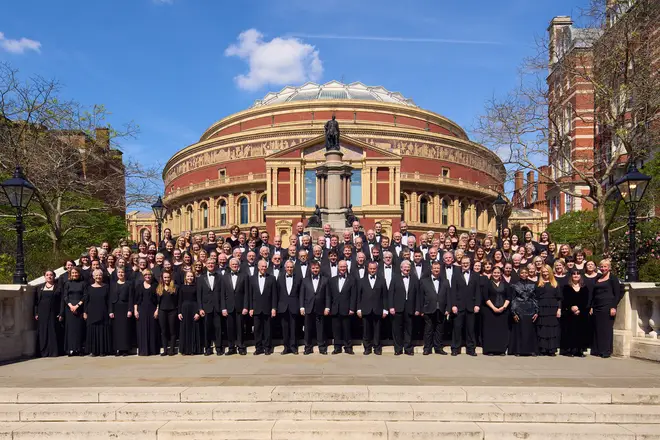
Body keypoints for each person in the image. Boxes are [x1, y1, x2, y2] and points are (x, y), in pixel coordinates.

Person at [449, 256, 482, 356]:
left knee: (470, 329)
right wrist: (453, 305)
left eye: (467, 262)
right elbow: (453, 291)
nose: (465, 264)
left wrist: (477, 304)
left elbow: (477, 291)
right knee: (457, 328)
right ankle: (455, 348)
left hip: (471, 306)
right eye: (463, 263)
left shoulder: (476, 275)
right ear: (461, 263)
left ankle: (471, 349)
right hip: (459, 306)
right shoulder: (455, 275)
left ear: (470, 263)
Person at [590, 260, 623, 358]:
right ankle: (597, 350)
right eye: (601, 267)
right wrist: (591, 306)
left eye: (605, 267)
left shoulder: (613, 278)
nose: (603, 268)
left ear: (609, 268)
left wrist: (613, 306)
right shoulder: (598, 278)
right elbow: (593, 294)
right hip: (597, 306)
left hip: (607, 306)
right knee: (597, 328)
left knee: (606, 329)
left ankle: (606, 351)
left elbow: (617, 294)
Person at [389, 260, 420, 356]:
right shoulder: (395, 278)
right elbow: (391, 293)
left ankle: (408, 348)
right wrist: (391, 306)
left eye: (408, 267)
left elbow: (418, 295)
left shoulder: (414, 278)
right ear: (401, 268)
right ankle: (398, 348)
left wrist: (417, 308)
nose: (406, 269)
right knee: (397, 329)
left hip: (410, 307)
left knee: (409, 328)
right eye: (404, 267)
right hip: (397, 307)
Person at [300, 260, 330, 355]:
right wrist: (301, 307)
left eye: (317, 268)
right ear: (310, 269)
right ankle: (308, 347)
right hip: (308, 307)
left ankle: (322, 347)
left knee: (320, 329)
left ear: (319, 269)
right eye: (313, 268)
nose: (315, 270)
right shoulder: (305, 280)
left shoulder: (325, 280)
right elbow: (302, 295)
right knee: (308, 329)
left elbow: (328, 295)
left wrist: (327, 307)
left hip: (320, 308)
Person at [357, 261, 388, 355]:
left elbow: (385, 296)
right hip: (365, 309)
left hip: (378, 309)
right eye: (371, 268)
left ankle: (377, 348)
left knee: (377, 330)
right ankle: (367, 348)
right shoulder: (362, 280)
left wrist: (385, 309)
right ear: (368, 269)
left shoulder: (382, 280)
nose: (372, 270)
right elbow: (359, 296)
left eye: (374, 269)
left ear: (377, 269)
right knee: (366, 330)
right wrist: (358, 309)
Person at [221, 258, 249, 356]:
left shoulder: (244, 276)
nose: (234, 266)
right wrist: (223, 308)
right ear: (229, 265)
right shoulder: (225, 277)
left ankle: (241, 346)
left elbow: (246, 293)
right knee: (230, 328)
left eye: (236, 264)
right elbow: (222, 294)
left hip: (240, 307)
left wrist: (246, 306)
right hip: (228, 307)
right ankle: (231, 347)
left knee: (240, 328)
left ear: (239, 265)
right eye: (233, 264)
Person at [560, 270, 591, 357]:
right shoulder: (566, 287)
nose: (576, 276)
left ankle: (579, 351)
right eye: (574, 274)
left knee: (580, 332)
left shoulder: (584, 288)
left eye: (578, 274)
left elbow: (585, 300)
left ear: (580, 276)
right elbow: (565, 300)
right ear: (571, 276)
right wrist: (571, 307)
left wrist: (579, 308)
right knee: (570, 332)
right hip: (569, 314)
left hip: (581, 313)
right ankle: (570, 350)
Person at [509, 268, 538, 356]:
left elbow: (535, 299)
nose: (524, 274)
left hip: (530, 309)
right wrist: (513, 312)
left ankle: (531, 350)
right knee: (519, 331)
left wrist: (537, 311)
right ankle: (518, 350)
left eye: (526, 272)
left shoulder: (533, 285)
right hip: (519, 309)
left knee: (530, 331)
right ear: (519, 274)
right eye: (522, 273)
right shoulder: (515, 285)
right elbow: (513, 299)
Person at [329, 260, 357, 355]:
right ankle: (337, 347)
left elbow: (354, 296)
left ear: (347, 268)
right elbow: (329, 296)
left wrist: (352, 308)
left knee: (347, 329)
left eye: (344, 267)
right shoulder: (332, 280)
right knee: (336, 330)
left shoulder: (352, 280)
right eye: (341, 267)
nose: (342, 269)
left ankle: (348, 347)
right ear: (338, 267)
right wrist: (329, 308)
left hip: (347, 308)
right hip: (335, 309)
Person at [482, 267, 510, 356]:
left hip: (503, 311)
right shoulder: (487, 284)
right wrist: (494, 308)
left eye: (498, 273)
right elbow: (485, 297)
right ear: (492, 273)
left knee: (501, 331)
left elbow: (509, 297)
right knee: (491, 331)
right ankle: (490, 350)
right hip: (490, 311)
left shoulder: (505, 284)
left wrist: (503, 307)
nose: (496, 274)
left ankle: (501, 350)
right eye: (494, 272)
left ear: (501, 273)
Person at [84, 269, 112, 357]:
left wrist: (110, 311)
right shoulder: (89, 287)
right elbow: (86, 301)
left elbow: (109, 301)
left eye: (100, 275)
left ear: (102, 276)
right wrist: (85, 312)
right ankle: (93, 351)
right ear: (93, 277)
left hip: (103, 311)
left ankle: (102, 351)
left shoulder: (107, 287)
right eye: (96, 275)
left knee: (102, 331)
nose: (98, 277)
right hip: (92, 312)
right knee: (92, 331)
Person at [198, 260, 224, 356]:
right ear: (206, 265)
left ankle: (219, 348)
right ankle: (208, 348)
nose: (210, 265)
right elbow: (199, 295)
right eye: (209, 263)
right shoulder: (201, 278)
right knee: (207, 329)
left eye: (212, 263)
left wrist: (222, 307)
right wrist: (200, 308)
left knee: (218, 328)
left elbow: (222, 293)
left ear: (215, 265)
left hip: (217, 307)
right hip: (206, 307)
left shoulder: (220, 277)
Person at [34, 270, 62, 357]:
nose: (49, 276)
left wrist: (61, 313)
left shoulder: (58, 287)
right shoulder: (39, 288)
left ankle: (53, 352)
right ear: (44, 277)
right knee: (42, 332)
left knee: (52, 331)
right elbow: (35, 302)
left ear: (54, 277)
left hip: (54, 313)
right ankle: (43, 352)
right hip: (42, 313)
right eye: (47, 275)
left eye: (51, 275)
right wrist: (36, 313)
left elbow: (61, 301)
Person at [535, 265, 562, 356]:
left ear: (550, 272)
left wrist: (559, 309)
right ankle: (543, 349)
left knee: (552, 329)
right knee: (542, 328)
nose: (545, 273)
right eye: (543, 271)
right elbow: (535, 298)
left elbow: (559, 298)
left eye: (547, 271)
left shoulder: (555, 283)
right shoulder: (538, 283)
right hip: (541, 308)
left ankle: (551, 350)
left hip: (553, 309)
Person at [277, 260, 301, 355]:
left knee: (294, 328)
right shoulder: (280, 278)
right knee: (285, 328)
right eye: (288, 267)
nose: (289, 269)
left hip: (294, 306)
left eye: (291, 267)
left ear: (293, 268)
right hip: (283, 306)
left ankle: (293, 347)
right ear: (285, 268)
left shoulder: (298, 278)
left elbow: (300, 293)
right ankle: (286, 347)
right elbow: (277, 293)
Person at [134, 269, 160, 356]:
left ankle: (153, 350)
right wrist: (135, 311)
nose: (147, 276)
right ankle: (143, 351)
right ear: (143, 276)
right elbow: (136, 300)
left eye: (149, 275)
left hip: (152, 310)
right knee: (142, 330)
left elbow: (159, 300)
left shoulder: (156, 286)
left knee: (152, 330)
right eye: (145, 275)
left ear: (151, 276)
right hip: (141, 310)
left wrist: (157, 310)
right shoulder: (139, 286)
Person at [62, 267, 86, 356]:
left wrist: (77, 306)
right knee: (70, 330)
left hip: (79, 308)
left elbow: (85, 295)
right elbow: (65, 296)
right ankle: (71, 349)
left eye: (76, 273)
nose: (74, 274)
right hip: (70, 309)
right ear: (70, 274)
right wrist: (71, 306)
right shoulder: (67, 283)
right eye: (73, 273)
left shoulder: (83, 283)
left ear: (79, 274)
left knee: (79, 329)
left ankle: (79, 349)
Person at [109, 267, 133, 356]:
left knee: (125, 329)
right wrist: (110, 310)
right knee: (117, 330)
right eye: (119, 272)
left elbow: (131, 297)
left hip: (125, 308)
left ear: (125, 273)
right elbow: (110, 298)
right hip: (116, 309)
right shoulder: (113, 284)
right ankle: (118, 349)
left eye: (122, 272)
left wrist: (130, 310)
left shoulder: (129, 284)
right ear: (116, 274)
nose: (120, 274)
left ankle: (125, 349)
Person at [178, 271, 202, 355]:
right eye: (188, 276)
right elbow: (180, 300)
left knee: (193, 329)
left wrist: (197, 312)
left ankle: (193, 350)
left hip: (194, 308)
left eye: (191, 276)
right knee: (185, 329)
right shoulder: (181, 287)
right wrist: (179, 312)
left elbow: (199, 300)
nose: (190, 278)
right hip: (184, 309)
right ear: (185, 277)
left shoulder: (197, 287)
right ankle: (185, 350)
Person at [156, 271, 178, 356]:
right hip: (162, 311)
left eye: (168, 277)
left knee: (172, 331)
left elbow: (178, 300)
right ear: (162, 278)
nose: (166, 279)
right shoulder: (159, 288)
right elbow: (157, 301)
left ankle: (172, 349)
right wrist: (157, 310)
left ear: (170, 278)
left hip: (172, 311)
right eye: (165, 277)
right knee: (163, 331)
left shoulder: (175, 287)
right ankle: (165, 349)